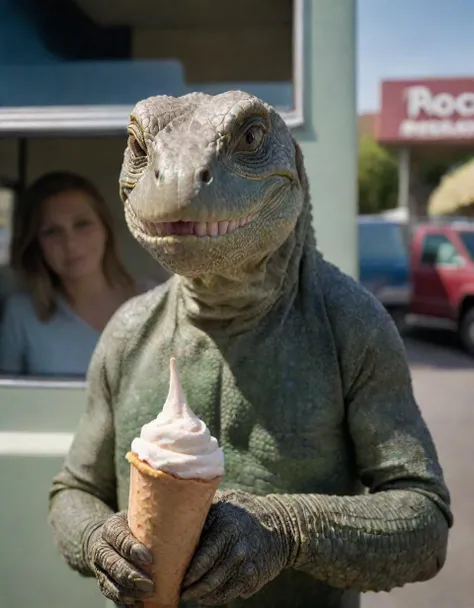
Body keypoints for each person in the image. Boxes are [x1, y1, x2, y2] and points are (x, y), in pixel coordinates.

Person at [48, 92, 452, 608]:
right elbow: (74, 492)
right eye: (140, 149)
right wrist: (95, 538)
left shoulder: (350, 325)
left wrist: (289, 530)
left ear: (296, 173)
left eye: (251, 140)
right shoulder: (129, 333)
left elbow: (424, 520)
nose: (176, 178)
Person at [0, 171, 137, 377]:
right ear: (37, 244)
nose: (70, 244)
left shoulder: (151, 300)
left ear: (105, 228)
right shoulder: (21, 314)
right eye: (52, 232)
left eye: (82, 224)